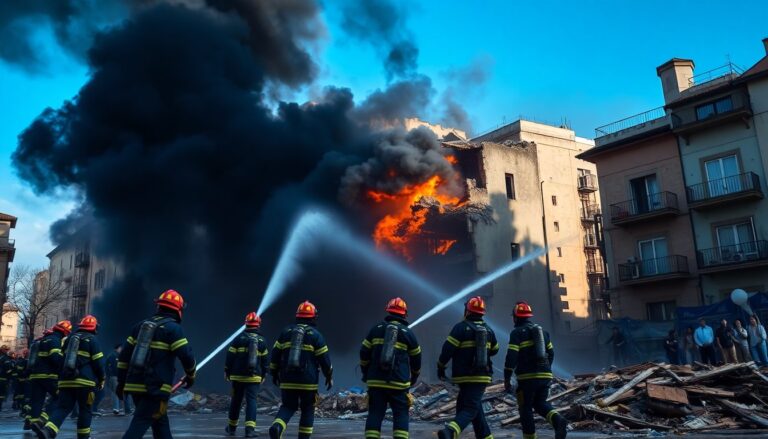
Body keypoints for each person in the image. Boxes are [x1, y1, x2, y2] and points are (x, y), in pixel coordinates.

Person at [117, 289, 197, 439]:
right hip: (155, 388)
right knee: (140, 422)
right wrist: (191, 375)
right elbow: (186, 355)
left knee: (160, 423)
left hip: (135, 385)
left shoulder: (139, 326)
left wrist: (121, 383)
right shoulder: (174, 329)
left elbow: (123, 358)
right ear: (178, 310)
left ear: (158, 306)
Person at [434, 296, 500, 439]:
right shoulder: (489, 330)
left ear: (467, 311)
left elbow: (447, 350)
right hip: (481, 376)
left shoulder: (460, 328)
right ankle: (454, 432)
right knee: (471, 406)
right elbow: (495, 350)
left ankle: (450, 431)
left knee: (469, 407)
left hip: (463, 377)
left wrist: (440, 366)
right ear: (482, 313)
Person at [33, 315, 105, 439]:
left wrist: (60, 377)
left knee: (63, 408)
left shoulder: (68, 339)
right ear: (94, 328)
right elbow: (98, 363)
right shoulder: (92, 340)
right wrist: (102, 378)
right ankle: (84, 437)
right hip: (85, 383)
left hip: (66, 381)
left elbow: (60, 360)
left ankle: (48, 431)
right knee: (85, 410)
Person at [269, 301, 333, 439]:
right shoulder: (316, 335)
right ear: (313, 317)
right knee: (307, 409)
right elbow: (325, 360)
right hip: (308, 382)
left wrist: (273, 373)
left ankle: (277, 426)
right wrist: (329, 376)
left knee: (288, 406)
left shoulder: (286, 332)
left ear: (297, 316)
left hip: (287, 379)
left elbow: (275, 355)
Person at [504, 301, 568, 439]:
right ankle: (558, 420)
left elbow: (511, 357)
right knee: (540, 403)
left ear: (515, 317)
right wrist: (545, 370)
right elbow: (551, 353)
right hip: (545, 376)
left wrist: (507, 377)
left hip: (527, 379)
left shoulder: (516, 333)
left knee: (525, 408)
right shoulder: (543, 333)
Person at [360, 298, 421, 439]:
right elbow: (416, 358)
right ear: (404, 314)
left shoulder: (376, 329)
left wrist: (366, 372)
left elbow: (363, 352)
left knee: (375, 414)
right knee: (401, 415)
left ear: (388, 311)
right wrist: (414, 376)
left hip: (376, 382)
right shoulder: (408, 333)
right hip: (399, 383)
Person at [224, 312, 269, 437]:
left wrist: (227, 371)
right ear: (258, 324)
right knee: (252, 401)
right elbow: (265, 361)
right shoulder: (262, 341)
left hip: (237, 377)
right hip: (254, 377)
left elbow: (230, 356)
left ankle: (231, 428)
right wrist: (264, 374)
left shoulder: (238, 339)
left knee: (236, 401)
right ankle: (249, 430)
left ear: (246, 324)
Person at [26, 322, 72, 431]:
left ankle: (33, 424)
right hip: (48, 376)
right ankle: (43, 418)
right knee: (60, 397)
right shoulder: (55, 340)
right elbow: (55, 358)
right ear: (65, 331)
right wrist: (63, 367)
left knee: (37, 400)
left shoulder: (43, 340)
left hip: (36, 376)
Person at [105, 344, 132, 415]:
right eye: (120, 348)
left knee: (116, 392)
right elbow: (115, 367)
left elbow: (106, 368)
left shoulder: (110, 356)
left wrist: (109, 376)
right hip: (116, 377)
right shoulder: (115, 356)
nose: (121, 349)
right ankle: (127, 410)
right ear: (117, 348)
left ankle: (116, 409)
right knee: (123, 393)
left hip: (114, 377)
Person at [14, 349, 30, 418]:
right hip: (25, 381)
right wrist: (26, 374)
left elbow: (18, 371)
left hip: (21, 381)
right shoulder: (25, 361)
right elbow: (21, 371)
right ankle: (24, 411)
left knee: (22, 396)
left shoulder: (21, 361)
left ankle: (22, 409)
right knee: (26, 397)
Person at [0, 345, 12, 410]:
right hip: (3, 379)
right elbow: (8, 370)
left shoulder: (2, 357)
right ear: (2, 350)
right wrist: (12, 369)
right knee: (2, 393)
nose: (7, 351)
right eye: (6, 350)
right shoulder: (5, 358)